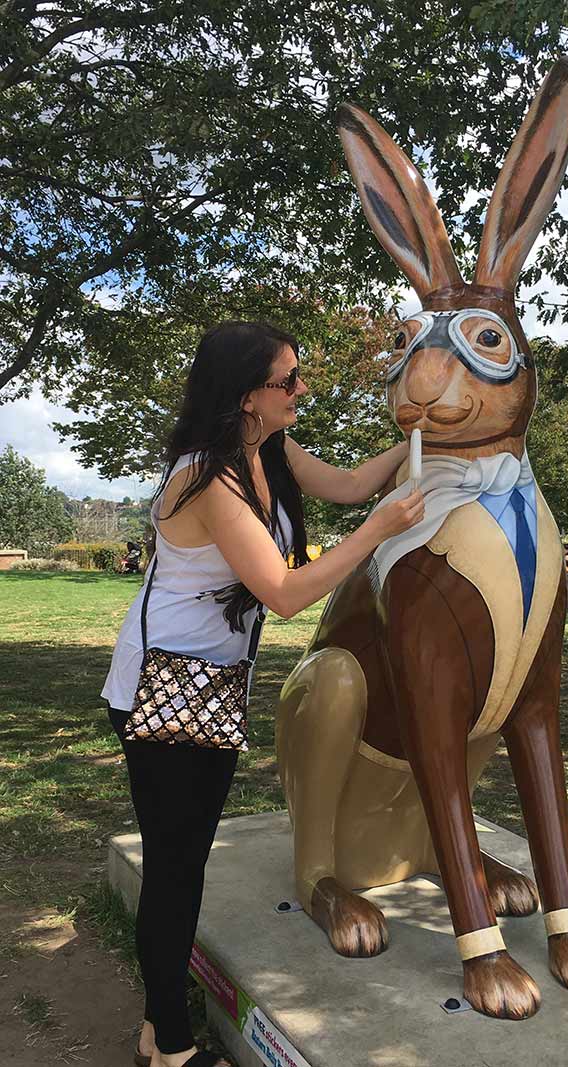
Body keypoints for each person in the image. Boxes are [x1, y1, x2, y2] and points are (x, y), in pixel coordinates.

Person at [101, 321, 424, 1067]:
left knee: (186, 862)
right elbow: (281, 592)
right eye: (289, 380)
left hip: (205, 689)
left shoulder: (265, 449)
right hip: (161, 692)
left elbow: (346, 483)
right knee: (176, 868)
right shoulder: (206, 478)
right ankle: (172, 1046)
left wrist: (421, 443)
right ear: (247, 395)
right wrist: (376, 530)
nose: (302, 389)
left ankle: (158, 1027)